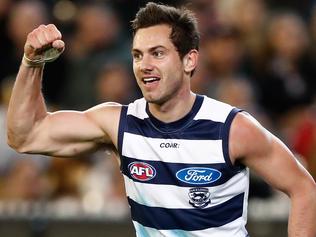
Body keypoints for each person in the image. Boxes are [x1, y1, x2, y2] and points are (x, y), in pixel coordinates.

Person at [6, 2, 316, 237]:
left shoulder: (233, 129)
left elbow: (304, 189)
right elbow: (25, 136)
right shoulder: (119, 123)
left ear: (189, 60)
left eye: (157, 53)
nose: (144, 65)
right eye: (138, 55)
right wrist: (32, 62)